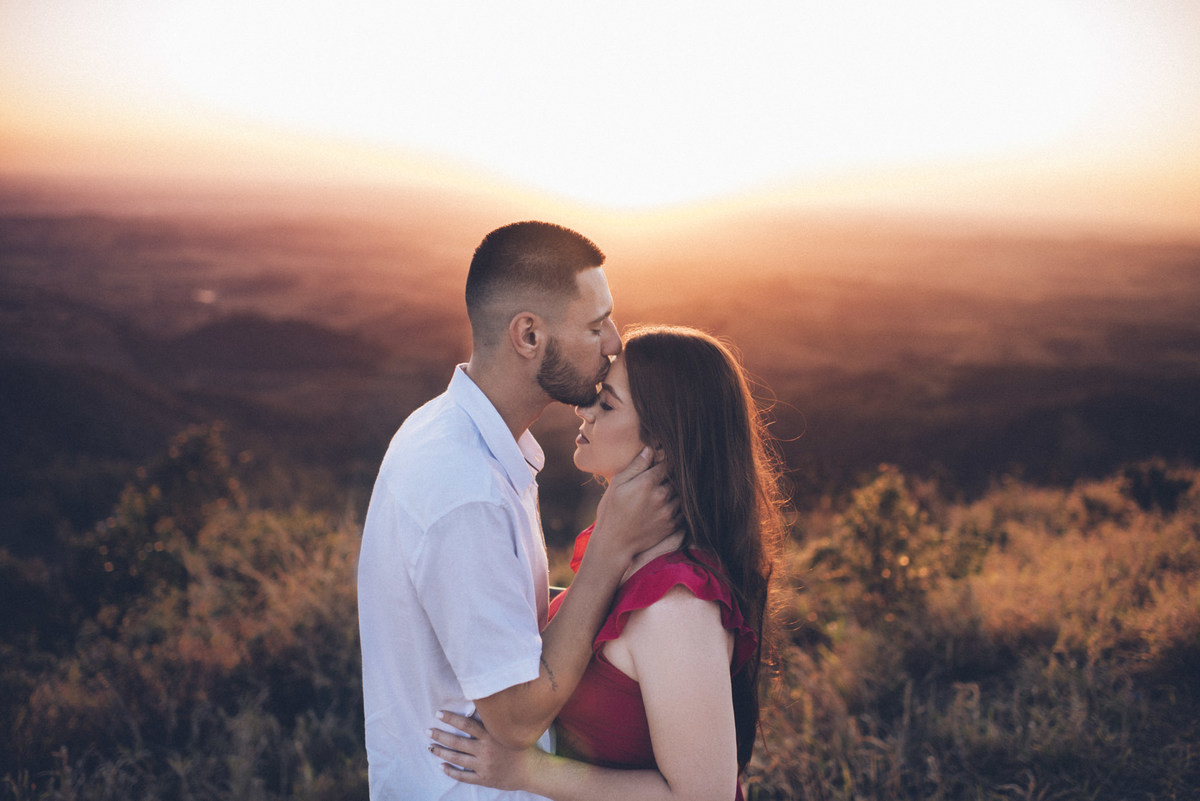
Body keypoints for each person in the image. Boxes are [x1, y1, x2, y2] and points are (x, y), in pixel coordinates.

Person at [358, 222, 678, 800]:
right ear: (529, 335)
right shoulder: (466, 491)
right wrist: (608, 550)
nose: (613, 341)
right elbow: (516, 719)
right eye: (594, 323)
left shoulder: (449, 430)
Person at [429, 324, 788, 801]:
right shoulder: (628, 553)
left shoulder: (676, 606)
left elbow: (704, 797)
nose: (584, 411)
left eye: (607, 403)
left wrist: (528, 771)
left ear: (661, 444)